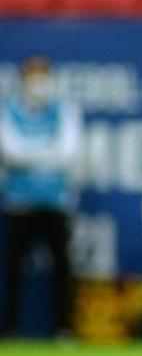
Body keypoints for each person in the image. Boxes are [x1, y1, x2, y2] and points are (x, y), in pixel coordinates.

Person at [1, 56, 82, 339]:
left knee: (62, 268)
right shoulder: (7, 111)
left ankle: (64, 329)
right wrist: (47, 152)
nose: (38, 84)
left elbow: (68, 154)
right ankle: (10, 328)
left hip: (56, 204)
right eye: (33, 78)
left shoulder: (65, 112)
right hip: (18, 204)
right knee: (13, 269)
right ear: (23, 81)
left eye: (43, 77)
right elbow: (10, 153)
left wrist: (30, 153)